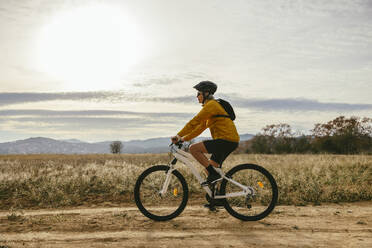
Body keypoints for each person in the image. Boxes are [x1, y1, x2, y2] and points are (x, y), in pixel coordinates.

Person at [171, 81, 240, 207]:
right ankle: (217, 198)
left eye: (198, 93)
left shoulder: (211, 105)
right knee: (211, 169)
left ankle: (214, 176)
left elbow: (194, 122)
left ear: (206, 93)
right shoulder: (211, 107)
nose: (197, 96)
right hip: (228, 140)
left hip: (226, 140)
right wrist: (183, 139)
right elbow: (200, 127)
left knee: (194, 149)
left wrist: (178, 135)